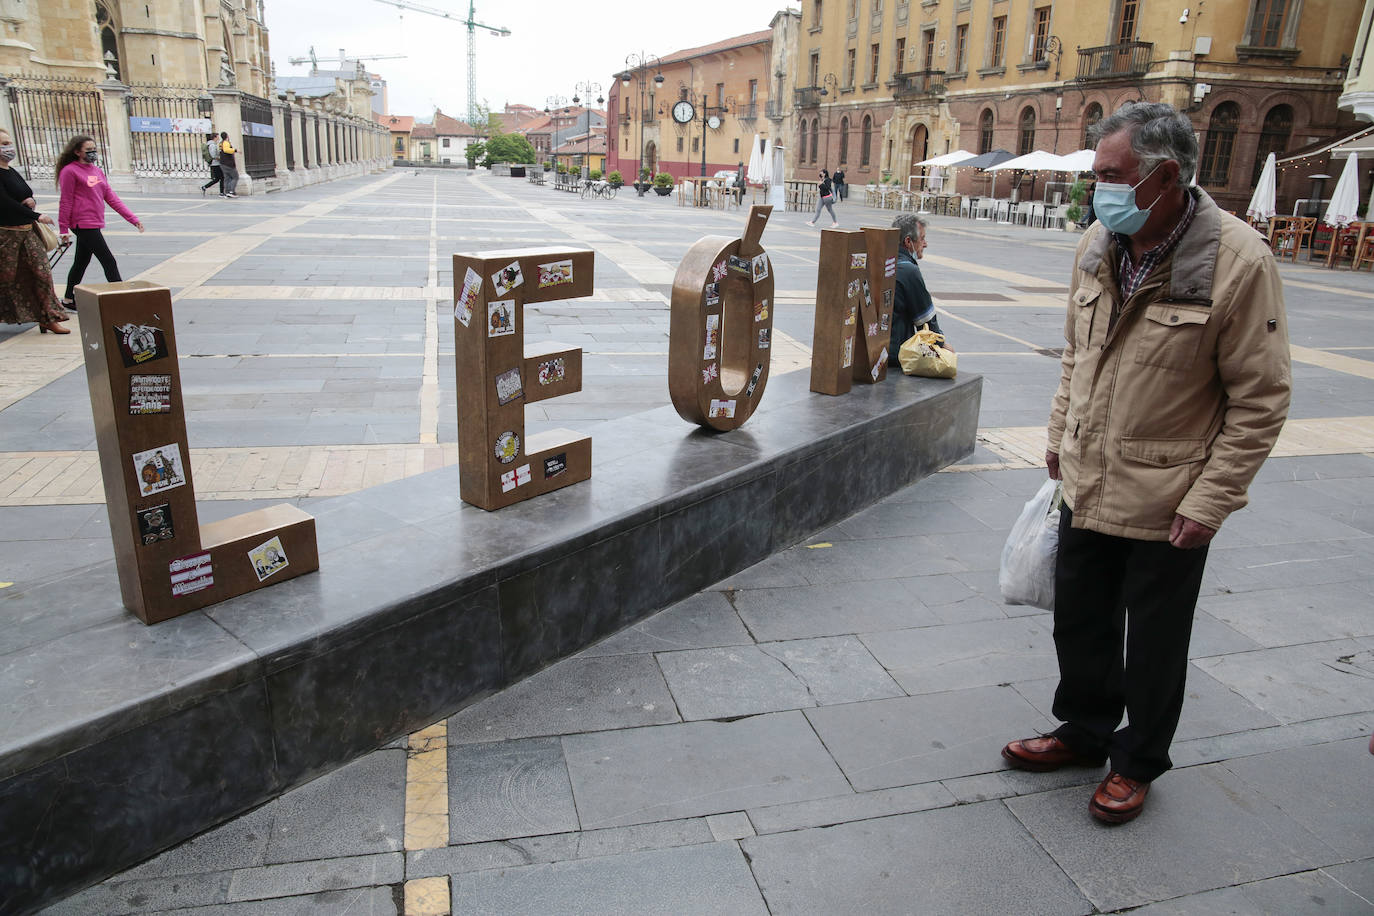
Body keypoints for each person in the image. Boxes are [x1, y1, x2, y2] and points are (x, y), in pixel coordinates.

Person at [999, 103, 1291, 825]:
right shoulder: (1099, 243)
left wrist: (1210, 501)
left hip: (1170, 495)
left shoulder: (1239, 260)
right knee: (1081, 621)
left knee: (1156, 641)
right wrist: (1061, 431)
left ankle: (1138, 760)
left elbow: (1261, 399)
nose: (1098, 190)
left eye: (1111, 175)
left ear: (1164, 177)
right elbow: (1079, 352)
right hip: (1089, 474)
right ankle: (1084, 730)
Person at [56, 134, 143, 310]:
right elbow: (65, 201)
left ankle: (67, 299)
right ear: (77, 152)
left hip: (95, 222)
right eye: (88, 150)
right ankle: (121, 299)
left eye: (94, 149)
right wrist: (63, 229)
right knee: (108, 260)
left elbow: (110, 197)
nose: (92, 153)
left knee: (81, 262)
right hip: (81, 223)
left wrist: (132, 219)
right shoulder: (70, 171)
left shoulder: (97, 170)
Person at [0, 128, 69, 334]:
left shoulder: (11, 170)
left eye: (8, 143)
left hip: (27, 231)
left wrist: (31, 203)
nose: (8, 148)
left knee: (42, 273)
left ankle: (48, 317)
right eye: (3, 144)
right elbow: (3, 203)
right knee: (6, 278)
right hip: (6, 234)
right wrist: (36, 215)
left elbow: (23, 196)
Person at [888, 213, 946, 365]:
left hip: (874, 350)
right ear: (908, 241)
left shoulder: (884, 260)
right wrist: (944, 348)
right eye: (922, 239)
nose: (925, 244)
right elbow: (927, 323)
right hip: (897, 354)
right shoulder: (909, 271)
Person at [201, 132, 223, 197]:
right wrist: (220, 159)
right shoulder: (212, 145)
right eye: (218, 136)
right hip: (215, 164)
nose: (218, 138)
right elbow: (213, 155)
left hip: (215, 164)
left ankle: (204, 187)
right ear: (215, 137)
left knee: (217, 179)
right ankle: (221, 193)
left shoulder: (212, 144)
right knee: (222, 178)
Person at [218, 131, 239, 198]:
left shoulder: (220, 143)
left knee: (227, 178)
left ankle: (227, 192)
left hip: (222, 163)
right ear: (227, 136)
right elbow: (226, 150)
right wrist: (235, 150)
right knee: (235, 177)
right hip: (228, 164)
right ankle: (231, 191)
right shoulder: (226, 143)